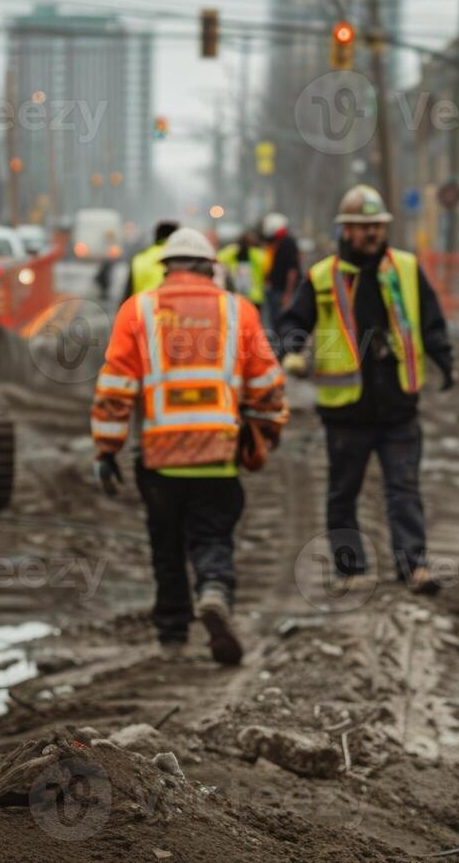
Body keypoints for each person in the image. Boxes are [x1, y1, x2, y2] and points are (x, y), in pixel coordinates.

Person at [91, 227, 288, 665]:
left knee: (166, 543)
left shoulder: (138, 310)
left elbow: (115, 387)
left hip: (158, 458)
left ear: (165, 267)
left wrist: (106, 448)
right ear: (209, 266)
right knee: (213, 534)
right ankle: (214, 590)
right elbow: (267, 384)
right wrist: (269, 429)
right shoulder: (239, 312)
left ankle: (173, 634)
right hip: (218, 452)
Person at [276, 185, 454, 595]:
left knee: (404, 488)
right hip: (346, 411)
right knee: (343, 492)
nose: (372, 233)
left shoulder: (406, 269)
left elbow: (431, 320)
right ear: (346, 231)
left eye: (376, 226)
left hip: (398, 404)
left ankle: (414, 565)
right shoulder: (324, 276)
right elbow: (291, 322)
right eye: (363, 227)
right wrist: (290, 351)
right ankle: (348, 567)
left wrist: (445, 361)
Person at [124, 220, 181, 301]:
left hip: (141, 310)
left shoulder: (140, 258)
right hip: (173, 310)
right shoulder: (181, 258)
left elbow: (127, 296)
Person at [262, 212, 302, 324]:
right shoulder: (274, 244)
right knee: (273, 321)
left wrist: (287, 294)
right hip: (274, 289)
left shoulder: (288, 244)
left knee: (283, 322)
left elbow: (292, 270)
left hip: (282, 291)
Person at [218, 226, 267, 315]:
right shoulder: (258, 254)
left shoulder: (231, 251)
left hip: (237, 296)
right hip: (252, 297)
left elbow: (218, 259)